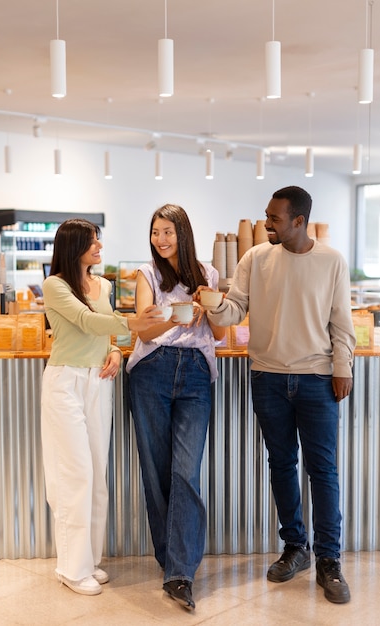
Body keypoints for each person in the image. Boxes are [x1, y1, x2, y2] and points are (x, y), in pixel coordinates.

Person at [203, 186, 356, 605]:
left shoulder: (332, 261)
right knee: (282, 465)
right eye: (266, 215)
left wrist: (342, 368)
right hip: (267, 377)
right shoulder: (255, 259)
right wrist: (213, 305)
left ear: (299, 221)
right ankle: (295, 548)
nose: (266, 223)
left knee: (323, 470)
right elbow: (236, 308)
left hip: (317, 379)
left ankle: (329, 560)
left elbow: (342, 324)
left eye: (274, 218)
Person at [41, 218, 163, 596]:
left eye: (99, 241)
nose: (99, 248)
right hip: (65, 383)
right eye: (93, 242)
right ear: (74, 245)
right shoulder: (55, 285)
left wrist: (113, 349)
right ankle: (71, 568)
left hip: (98, 381)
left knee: (96, 473)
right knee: (74, 474)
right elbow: (84, 320)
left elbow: (105, 332)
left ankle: (89, 560)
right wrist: (132, 323)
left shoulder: (104, 285)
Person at [126, 204, 226, 610]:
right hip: (151, 368)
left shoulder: (209, 275)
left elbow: (219, 333)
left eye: (168, 232)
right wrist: (174, 319)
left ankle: (180, 572)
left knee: (185, 471)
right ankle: (174, 567)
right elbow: (142, 329)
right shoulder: (146, 275)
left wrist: (210, 306)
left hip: (197, 374)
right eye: (155, 232)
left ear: (182, 234)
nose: (161, 240)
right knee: (157, 470)